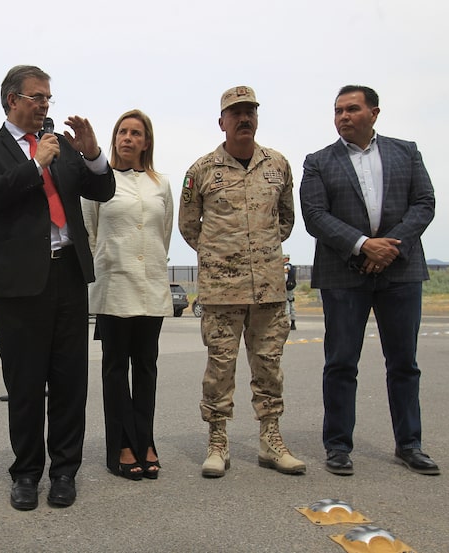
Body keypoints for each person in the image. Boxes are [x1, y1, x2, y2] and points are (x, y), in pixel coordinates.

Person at [0, 65, 115, 510]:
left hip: (67, 274)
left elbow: (103, 190)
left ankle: (65, 471)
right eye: (36, 97)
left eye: (48, 97)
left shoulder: (63, 146)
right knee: (25, 383)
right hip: (18, 285)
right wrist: (36, 165)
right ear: (12, 100)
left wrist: (91, 155)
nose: (45, 105)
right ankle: (27, 473)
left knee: (70, 381)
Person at [299, 85, 439, 476]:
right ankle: (338, 446)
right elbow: (315, 215)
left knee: (403, 363)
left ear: (374, 114)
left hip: (401, 272)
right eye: (338, 110)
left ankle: (409, 444)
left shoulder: (406, 152)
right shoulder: (318, 162)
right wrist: (363, 245)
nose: (343, 117)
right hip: (344, 276)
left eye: (352, 109)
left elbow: (424, 203)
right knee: (341, 362)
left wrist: (390, 247)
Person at [178, 86, 306, 479]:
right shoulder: (201, 171)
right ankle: (217, 441)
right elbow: (188, 226)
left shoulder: (278, 165)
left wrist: (261, 254)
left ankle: (271, 440)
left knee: (269, 366)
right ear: (222, 122)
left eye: (249, 111)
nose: (244, 118)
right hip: (221, 293)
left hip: (268, 288)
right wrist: (222, 256)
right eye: (235, 113)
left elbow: (285, 221)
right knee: (220, 367)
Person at [82, 110, 173, 480]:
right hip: (114, 284)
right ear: (114, 137)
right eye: (122, 131)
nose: (128, 138)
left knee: (147, 368)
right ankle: (120, 445)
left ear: (146, 142)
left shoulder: (160, 184)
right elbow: (90, 233)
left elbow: (163, 234)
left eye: (136, 133)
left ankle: (145, 441)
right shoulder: (99, 182)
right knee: (116, 369)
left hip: (150, 285)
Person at [284, 254, 297, 330]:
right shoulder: (292, 267)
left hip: (287, 288)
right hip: (291, 288)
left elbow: (285, 278)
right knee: (292, 304)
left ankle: (287, 323)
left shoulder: (286, 267)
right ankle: (293, 322)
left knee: (287, 305)